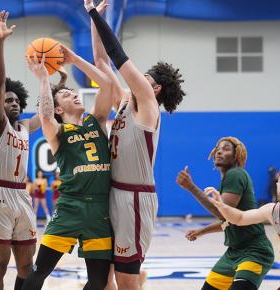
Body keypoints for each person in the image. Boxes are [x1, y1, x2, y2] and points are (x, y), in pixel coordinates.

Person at [86, 1, 185, 289]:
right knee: (103, 277)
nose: (136, 78)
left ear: (154, 89)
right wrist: (95, 19)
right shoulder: (126, 102)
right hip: (113, 193)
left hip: (135, 200)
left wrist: (93, 13)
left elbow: (117, 56)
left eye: (143, 77)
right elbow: (102, 61)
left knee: (126, 280)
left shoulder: (148, 105)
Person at [23, 35, 114, 290]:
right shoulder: (57, 132)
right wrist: (43, 79)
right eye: (65, 95)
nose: (73, 94)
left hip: (99, 209)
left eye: (73, 92)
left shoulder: (96, 121)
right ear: (59, 110)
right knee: (39, 272)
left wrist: (74, 59)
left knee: (97, 281)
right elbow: (44, 114)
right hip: (70, 207)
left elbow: (107, 85)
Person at [0, 10, 41, 290]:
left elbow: (48, 113)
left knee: (28, 266)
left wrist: (54, 80)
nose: (13, 103)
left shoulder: (26, 127)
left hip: (21, 194)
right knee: (0, 265)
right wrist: (0, 42)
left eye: (17, 100)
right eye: (8, 100)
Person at [176, 137, 274, 290]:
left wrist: (191, 187)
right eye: (218, 148)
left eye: (226, 148)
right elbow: (229, 221)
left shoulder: (235, 174)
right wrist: (201, 231)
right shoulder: (229, 178)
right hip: (233, 252)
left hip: (254, 251)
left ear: (236, 156)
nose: (219, 151)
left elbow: (224, 214)